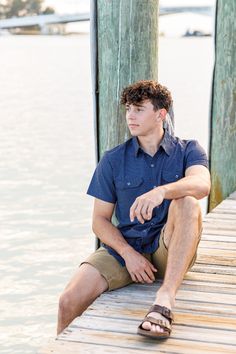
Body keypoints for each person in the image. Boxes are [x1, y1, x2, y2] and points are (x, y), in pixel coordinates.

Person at [57, 80, 211, 339]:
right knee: (68, 300)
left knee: (187, 201)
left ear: (161, 114)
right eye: (128, 108)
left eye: (139, 108)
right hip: (125, 247)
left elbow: (202, 184)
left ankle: (165, 299)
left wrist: (162, 191)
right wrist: (128, 253)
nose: (130, 115)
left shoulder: (189, 150)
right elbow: (99, 221)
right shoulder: (113, 159)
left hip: (168, 248)